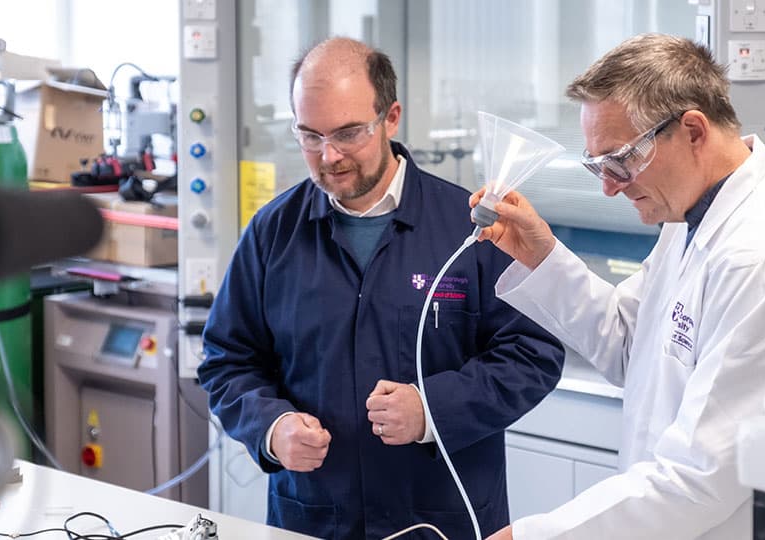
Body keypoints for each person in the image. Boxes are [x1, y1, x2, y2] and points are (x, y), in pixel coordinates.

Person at [472, 34, 765, 539]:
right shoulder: (691, 213)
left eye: (620, 160)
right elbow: (633, 345)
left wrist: (534, 535)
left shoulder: (764, 257)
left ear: (692, 130)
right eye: (597, 166)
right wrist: (541, 257)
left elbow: (700, 477)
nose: (609, 186)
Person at [198, 37, 565, 539]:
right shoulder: (273, 233)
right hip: (315, 518)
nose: (329, 156)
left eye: (348, 133)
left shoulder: (472, 228)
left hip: (442, 519)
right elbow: (226, 360)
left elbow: (534, 353)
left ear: (391, 117)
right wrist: (270, 428)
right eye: (309, 136)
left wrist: (432, 410)